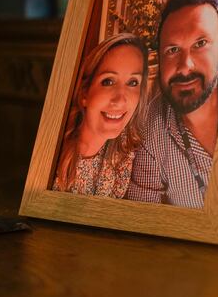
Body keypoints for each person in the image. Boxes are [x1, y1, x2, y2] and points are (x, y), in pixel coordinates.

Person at [127, 0, 218, 208]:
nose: (185, 66)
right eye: (173, 50)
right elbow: (140, 221)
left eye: (200, 44)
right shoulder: (150, 129)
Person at [53, 33, 149, 197]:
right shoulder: (53, 152)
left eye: (133, 83)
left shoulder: (126, 147)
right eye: (108, 81)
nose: (120, 100)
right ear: (84, 93)